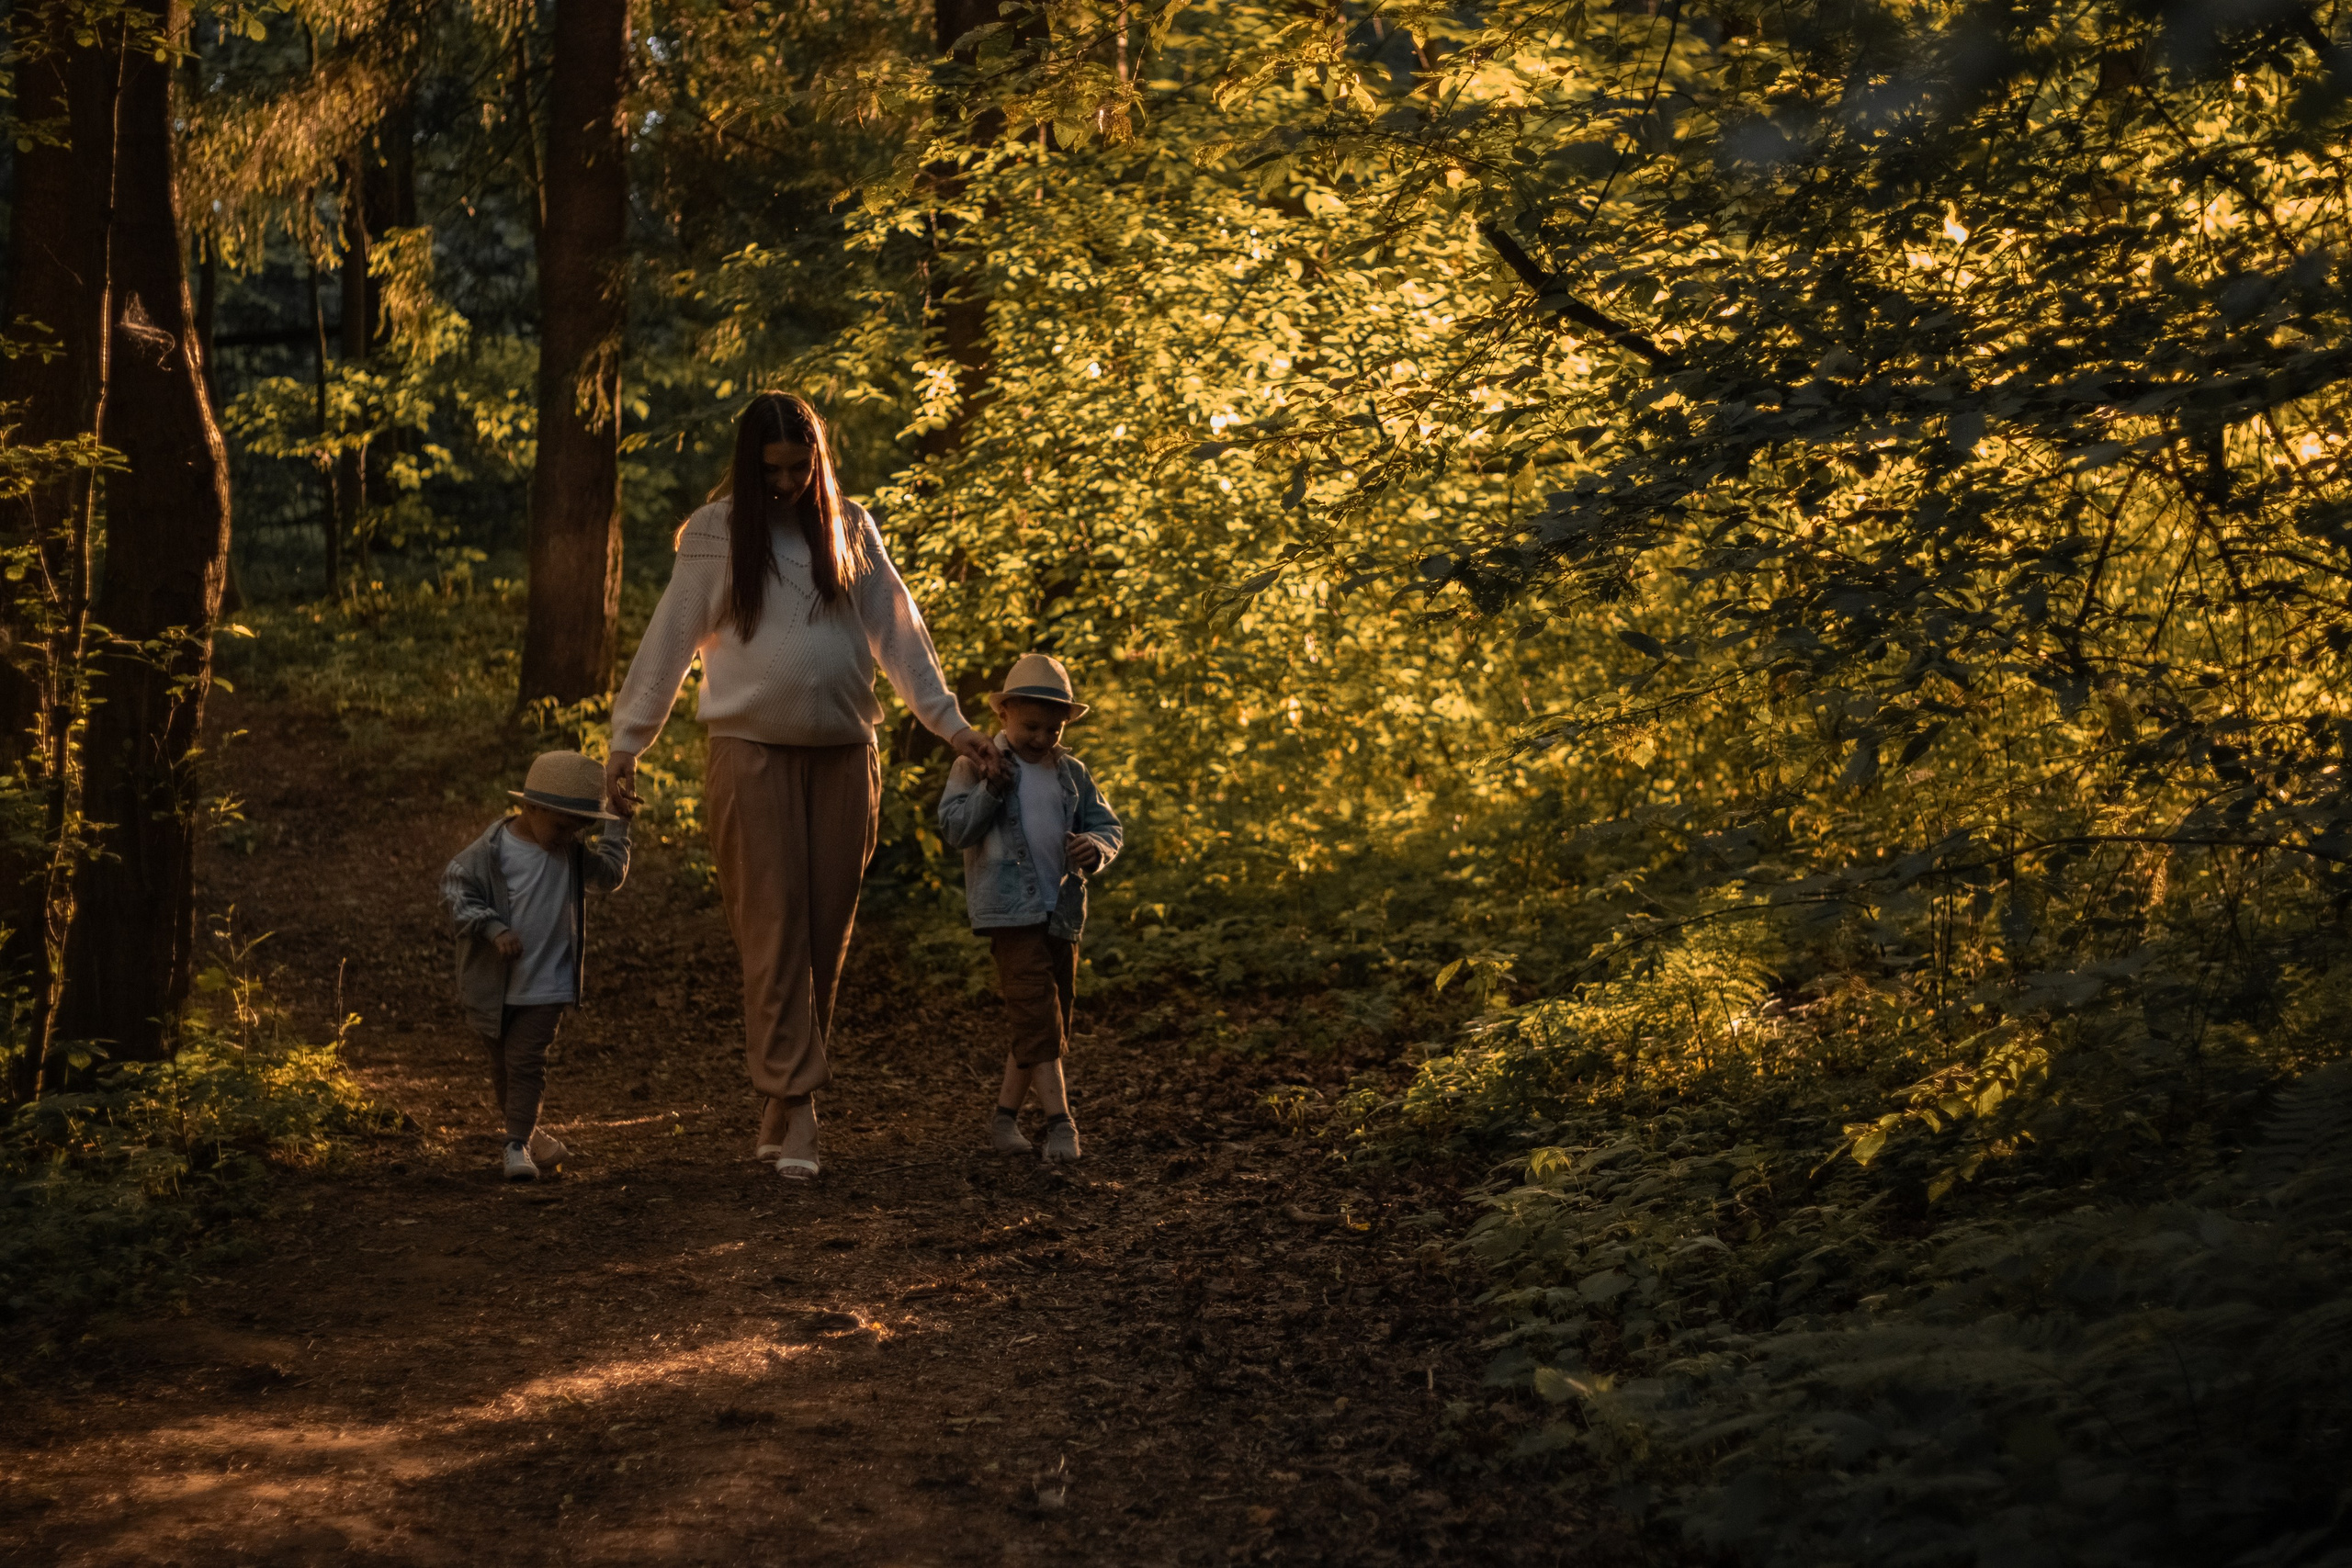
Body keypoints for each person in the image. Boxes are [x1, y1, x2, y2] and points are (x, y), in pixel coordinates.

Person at [605, 391, 1002, 1182]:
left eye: (800, 467)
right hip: (748, 751)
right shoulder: (716, 534)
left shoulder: (849, 526)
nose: (787, 483)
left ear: (818, 461)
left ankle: (780, 1100)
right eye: (773, 470)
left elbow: (901, 633)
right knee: (774, 930)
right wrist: (627, 742)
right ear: (750, 468)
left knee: (824, 935)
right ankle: (804, 1107)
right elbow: (668, 642)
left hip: (845, 753)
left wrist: (953, 726)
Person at [937, 654, 1124, 1163]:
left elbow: (1108, 827)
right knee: (1039, 1016)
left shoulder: (1072, 774)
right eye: (1031, 726)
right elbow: (954, 830)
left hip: (1060, 911)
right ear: (1003, 714)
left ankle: (1003, 1122)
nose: (1043, 738)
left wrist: (1095, 847)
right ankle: (1062, 1125)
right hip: (1008, 913)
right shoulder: (975, 766)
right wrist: (990, 794)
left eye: (1054, 729)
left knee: (1048, 1019)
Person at [441, 750, 635, 1182]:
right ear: (530, 807)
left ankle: (514, 1145)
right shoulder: (490, 852)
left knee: (528, 1062)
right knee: (504, 1067)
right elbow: (455, 892)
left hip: (547, 983)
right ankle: (531, 1136)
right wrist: (492, 929)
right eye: (562, 825)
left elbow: (610, 875)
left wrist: (617, 823)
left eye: (578, 828)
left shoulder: (570, 852)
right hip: (494, 986)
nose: (568, 836)